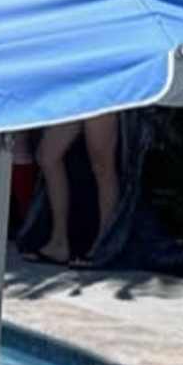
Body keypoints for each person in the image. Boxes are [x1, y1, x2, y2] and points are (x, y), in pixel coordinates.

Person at [34, 111, 133, 268]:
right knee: (47, 156)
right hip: (76, 92)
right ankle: (59, 242)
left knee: (102, 166)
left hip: (101, 95)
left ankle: (104, 244)